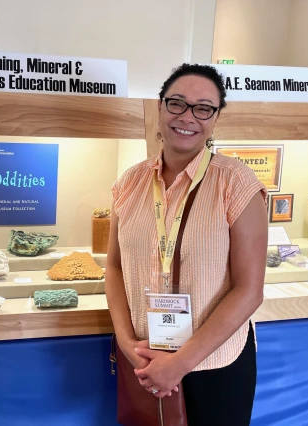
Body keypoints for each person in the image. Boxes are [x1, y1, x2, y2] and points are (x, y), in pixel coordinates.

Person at [106, 63, 268, 426]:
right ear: (161, 107)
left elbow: (249, 290)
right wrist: (127, 343)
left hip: (215, 364)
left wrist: (179, 363)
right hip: (144, 360)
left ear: (215, 118)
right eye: (176, 103)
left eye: (203, 108)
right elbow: (114, 267)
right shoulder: (129, 184)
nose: (187, 117)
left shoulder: (236, 183)